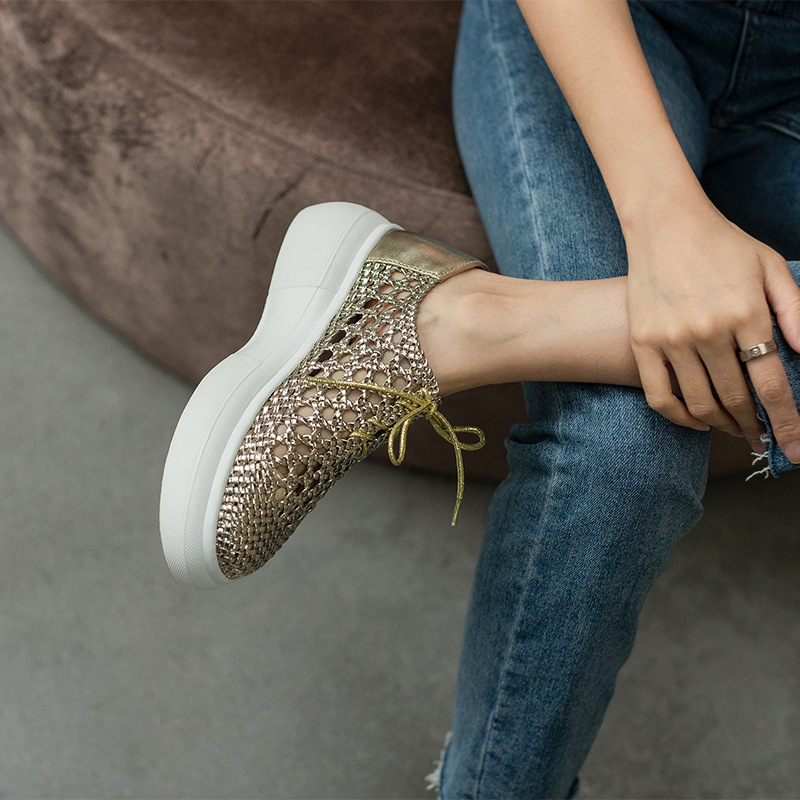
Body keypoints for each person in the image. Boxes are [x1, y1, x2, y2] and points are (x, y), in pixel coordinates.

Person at [159, 0, 800, 795]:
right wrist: (665, 214)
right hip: (624, 23)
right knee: (623, 446)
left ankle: (463, 323)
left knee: (625, 422)